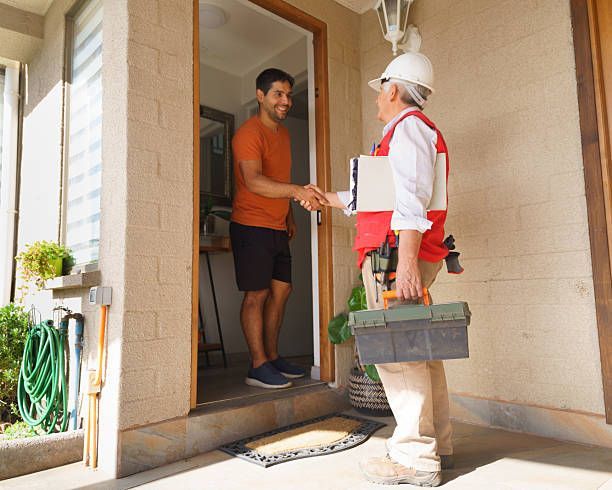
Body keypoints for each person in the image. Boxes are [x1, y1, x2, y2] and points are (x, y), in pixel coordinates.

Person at [308, 52, 452, 486]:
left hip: (393, 257)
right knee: (419, 352)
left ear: (393, 90)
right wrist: (325, 198)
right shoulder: (408, 133)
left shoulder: (407, 129)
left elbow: (410, 197)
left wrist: (405, 261)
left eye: (379, 93)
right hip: (400, 253)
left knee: (398, 354)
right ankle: (435, 445)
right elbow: (374, 195)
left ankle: (414, 458)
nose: (376, 102)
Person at [230, 68, 327, 390]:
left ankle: (272, 357)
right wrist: (298, 192)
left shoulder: (282, 135)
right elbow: (254, 181)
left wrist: (288, 214)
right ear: (261, 96)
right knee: (256, 294)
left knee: (282, 291)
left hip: (276, 225)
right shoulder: (248, 133)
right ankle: (257, 365)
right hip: (250, 226)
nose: (286, 101)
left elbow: (277, 180)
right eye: (278, 94)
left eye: (288, 95)